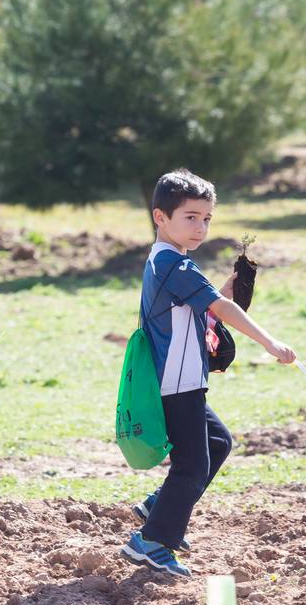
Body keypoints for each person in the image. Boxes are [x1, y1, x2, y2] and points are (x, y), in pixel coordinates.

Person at [121, 169, 297, 577]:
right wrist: (269, 342)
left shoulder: (174, 262)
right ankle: (151, 542)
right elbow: (219, 308)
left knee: (218, 442)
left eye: (206, 218)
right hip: (175, 384)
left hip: (186, 382)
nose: (200, 227)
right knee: (192, 466)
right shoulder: (170, 262)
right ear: (160, 218)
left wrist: (226, 289)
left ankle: (158, 507)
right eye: (190, 217)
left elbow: (205, 303)